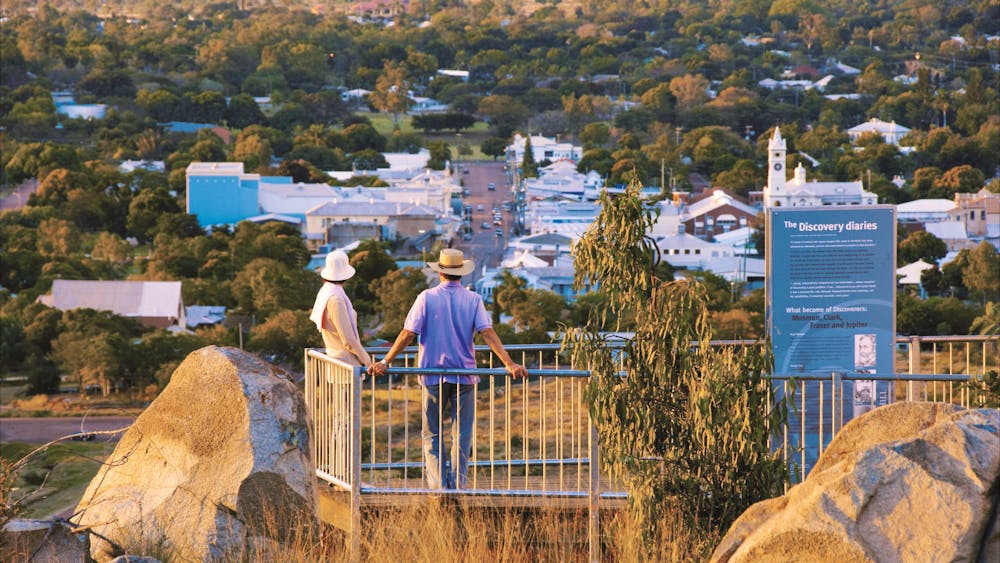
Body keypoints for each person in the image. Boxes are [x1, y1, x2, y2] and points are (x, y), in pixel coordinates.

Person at [368, 249, 527, 489]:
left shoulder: (426, 297)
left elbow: (408, 334)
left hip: (432, 375)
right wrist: (509, 363)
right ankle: (458, 486)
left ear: (440, 271)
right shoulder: (473, 300)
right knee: (461, 435)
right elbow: (487, 332)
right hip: (464, 376)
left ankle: (439, 487)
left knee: (432, 434)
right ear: (460, 273)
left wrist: (385, 361)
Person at [310, 250, 372, 368]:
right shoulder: (336, 299)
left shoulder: (326, 292)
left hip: (334, 359)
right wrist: (367, 360)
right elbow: (348, 340)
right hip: (346, 363)